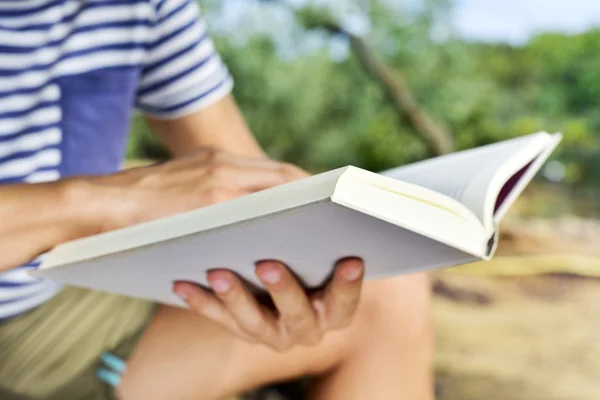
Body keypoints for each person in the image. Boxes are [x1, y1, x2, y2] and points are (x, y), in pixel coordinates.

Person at [0, 0, 434, 399]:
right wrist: (104, 204)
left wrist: (293, 274)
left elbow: (244, 181)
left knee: (391, 301)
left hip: (60, 302)